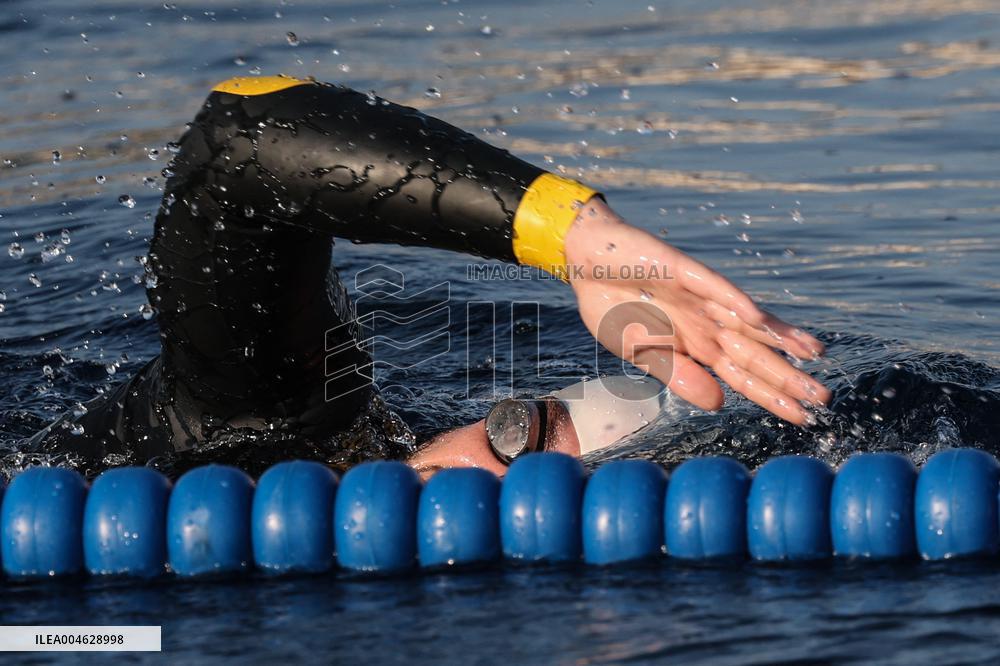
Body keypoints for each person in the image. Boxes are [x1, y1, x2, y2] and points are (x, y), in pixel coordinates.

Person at [23, 75, 831, 478]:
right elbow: (239, 139)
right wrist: (573, 235)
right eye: (519, 430)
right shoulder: (275, 425)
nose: (489, 482)